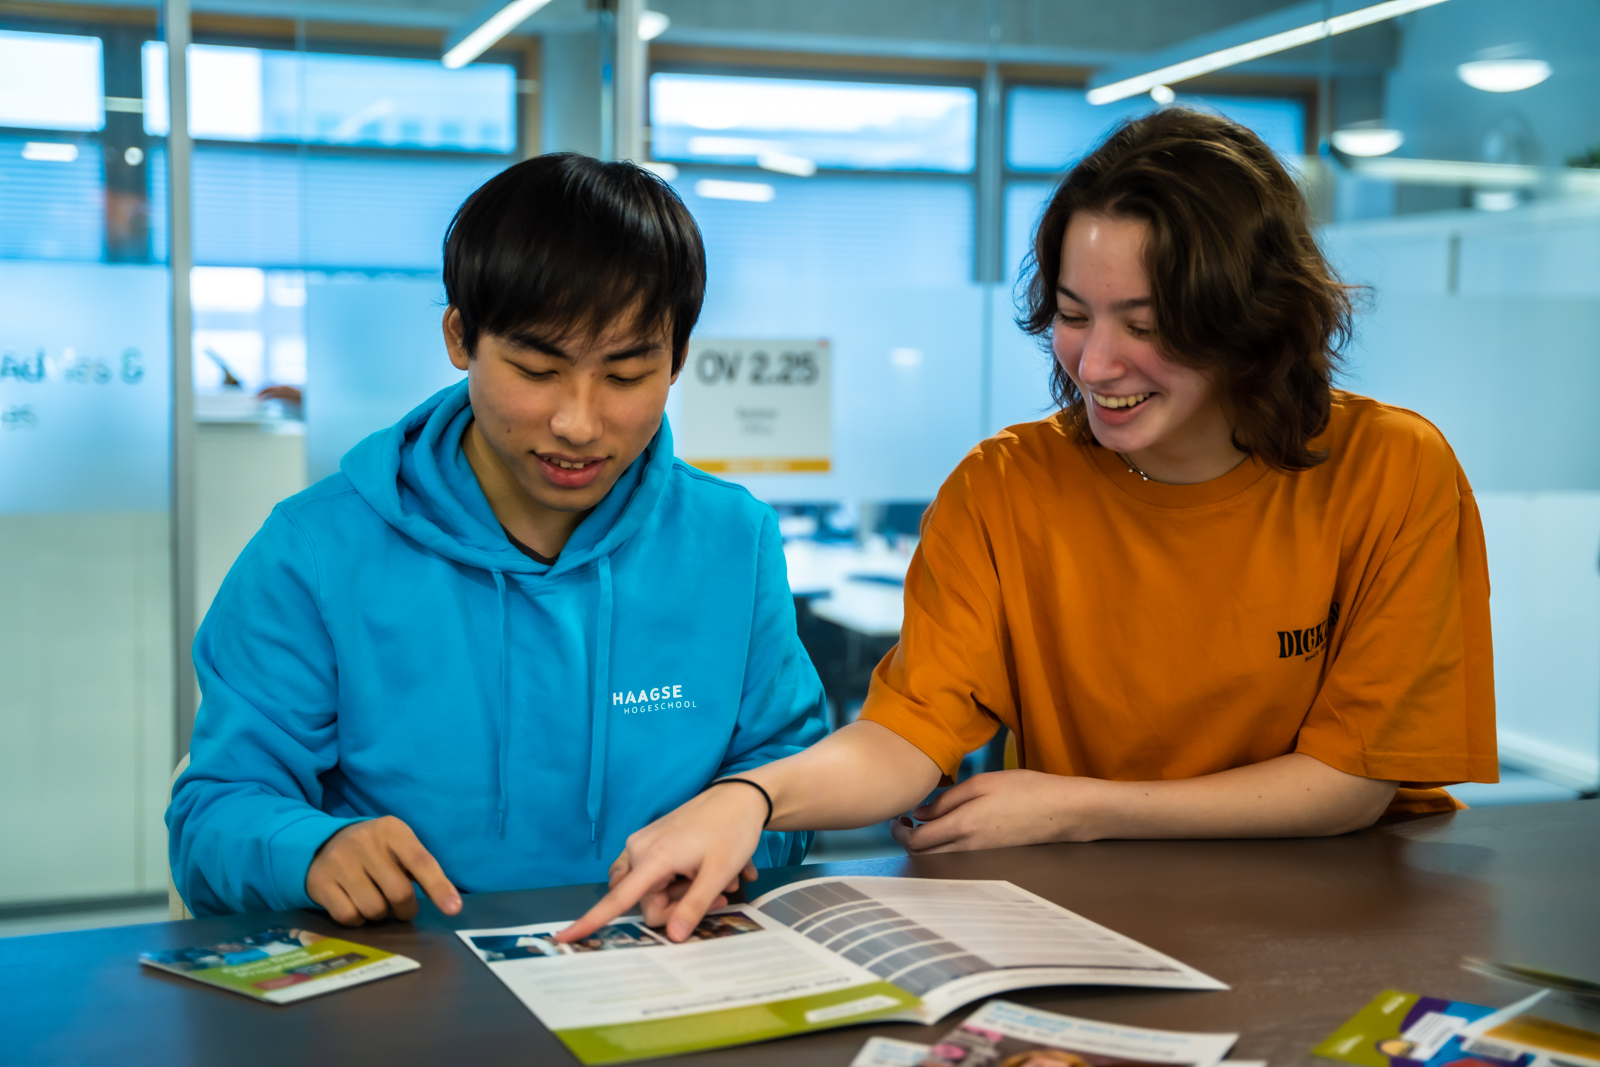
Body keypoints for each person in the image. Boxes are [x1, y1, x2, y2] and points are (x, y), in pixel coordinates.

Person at [560, 108, 1497, 946]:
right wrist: (753, 796)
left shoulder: (1391, 469)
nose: (1095, 362)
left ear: (1252, 319)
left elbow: (1350, 783)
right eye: (1073, 314)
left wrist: (1072, 807)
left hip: (1344, 911)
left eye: (1146, 322)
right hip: (1100, 911)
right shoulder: (1004, 488)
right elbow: (905, 737)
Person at [167, 153, 826, 923]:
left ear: (677, 360)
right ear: (460, 336)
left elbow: (791, 779)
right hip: (422, 990)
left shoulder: (730, 541)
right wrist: (308, 848)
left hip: (656, 966)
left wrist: (741, 830)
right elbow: (215, 809)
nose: (578, 423)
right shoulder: (317, 550)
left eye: (624, 377)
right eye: (537, 369)